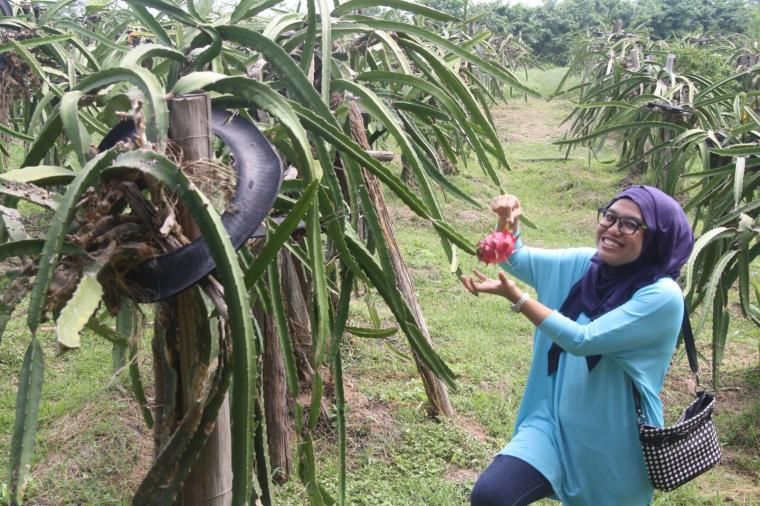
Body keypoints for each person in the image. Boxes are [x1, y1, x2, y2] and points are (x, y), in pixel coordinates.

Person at [460, 185, 694, 506]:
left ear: (658, 237)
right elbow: (514, 256)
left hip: (614, 443)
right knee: (492, 496)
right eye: (609, 217)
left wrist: (519, 299)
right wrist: (506, 223)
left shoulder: (661, 296)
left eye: (629, 224)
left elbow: (583, 340)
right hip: (550, 423)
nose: (612, 229)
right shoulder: (586, 264)